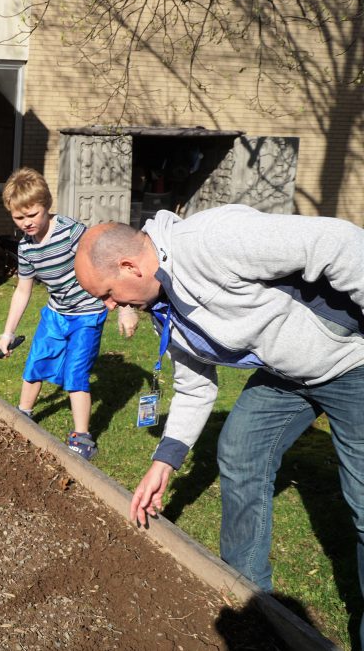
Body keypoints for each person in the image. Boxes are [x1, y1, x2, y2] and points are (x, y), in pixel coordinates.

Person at [74, 204, 364, 642]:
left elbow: (337, 243)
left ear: (130, 265)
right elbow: (195, 388)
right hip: (289, 373)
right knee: (240, 450)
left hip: (351, 362)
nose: (111, 306)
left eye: (108, 293)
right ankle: (253, 604)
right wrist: (164, 461)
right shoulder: (164, 308)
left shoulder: (210, 240)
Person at [0, 168, 138, 460]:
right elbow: (23, 290)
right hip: (56, 313)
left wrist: (125, 307)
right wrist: (7, 333)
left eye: (32, 214)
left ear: (46, 205)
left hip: (87, 313)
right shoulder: (26, 249)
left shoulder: (72, 232)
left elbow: (106, 265)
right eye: (19, 218)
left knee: (75, 373)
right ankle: (23, 415)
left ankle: (82, 435)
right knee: (37, 362)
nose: (27, 223)